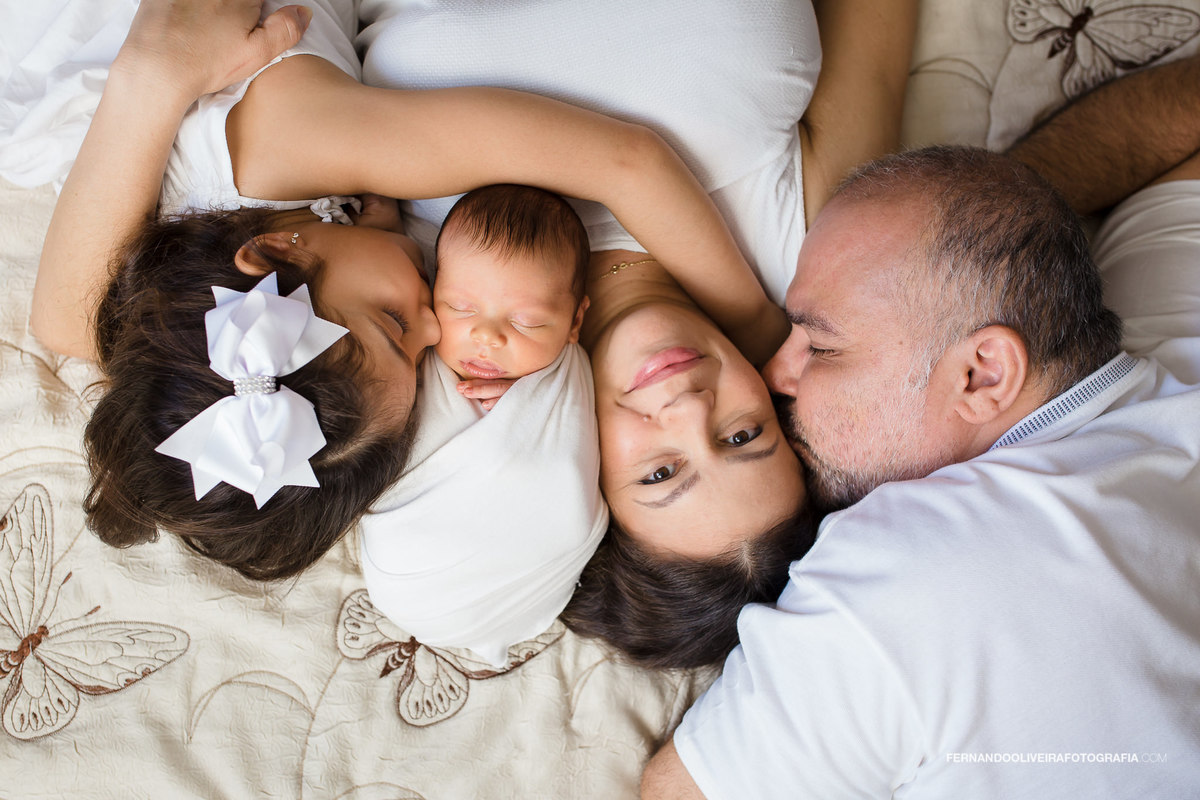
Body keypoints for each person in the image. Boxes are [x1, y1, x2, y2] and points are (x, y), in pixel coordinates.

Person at [27, 0, 787, 581]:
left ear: (272, 251)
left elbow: (628, 162)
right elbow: (67, 328)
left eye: (396, 323)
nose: (435, 324)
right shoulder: (208, 283)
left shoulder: (298, 143)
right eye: (425, 355)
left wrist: (757, 328)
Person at [641, 63, 1200, 797]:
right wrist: (982, 243)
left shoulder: (904, 573)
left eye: (825, 345)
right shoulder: (1173, 345)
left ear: (983, 375)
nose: (778, 372)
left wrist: (969, 245)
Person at [354, 0, 918, 668]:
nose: (688, 407)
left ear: (586, 484)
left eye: (660, 471)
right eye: (743, 436)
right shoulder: (813, 255)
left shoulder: (430, 288)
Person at [357, 183, 605, 666]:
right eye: (462, 308)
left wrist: (527, 404)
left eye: (529, 321)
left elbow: (565, 470)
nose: (487, 335)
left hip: (520, 570)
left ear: (575, 322)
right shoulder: (417, 338)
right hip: (411, 563)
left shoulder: (566, 377)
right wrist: (385, 220)